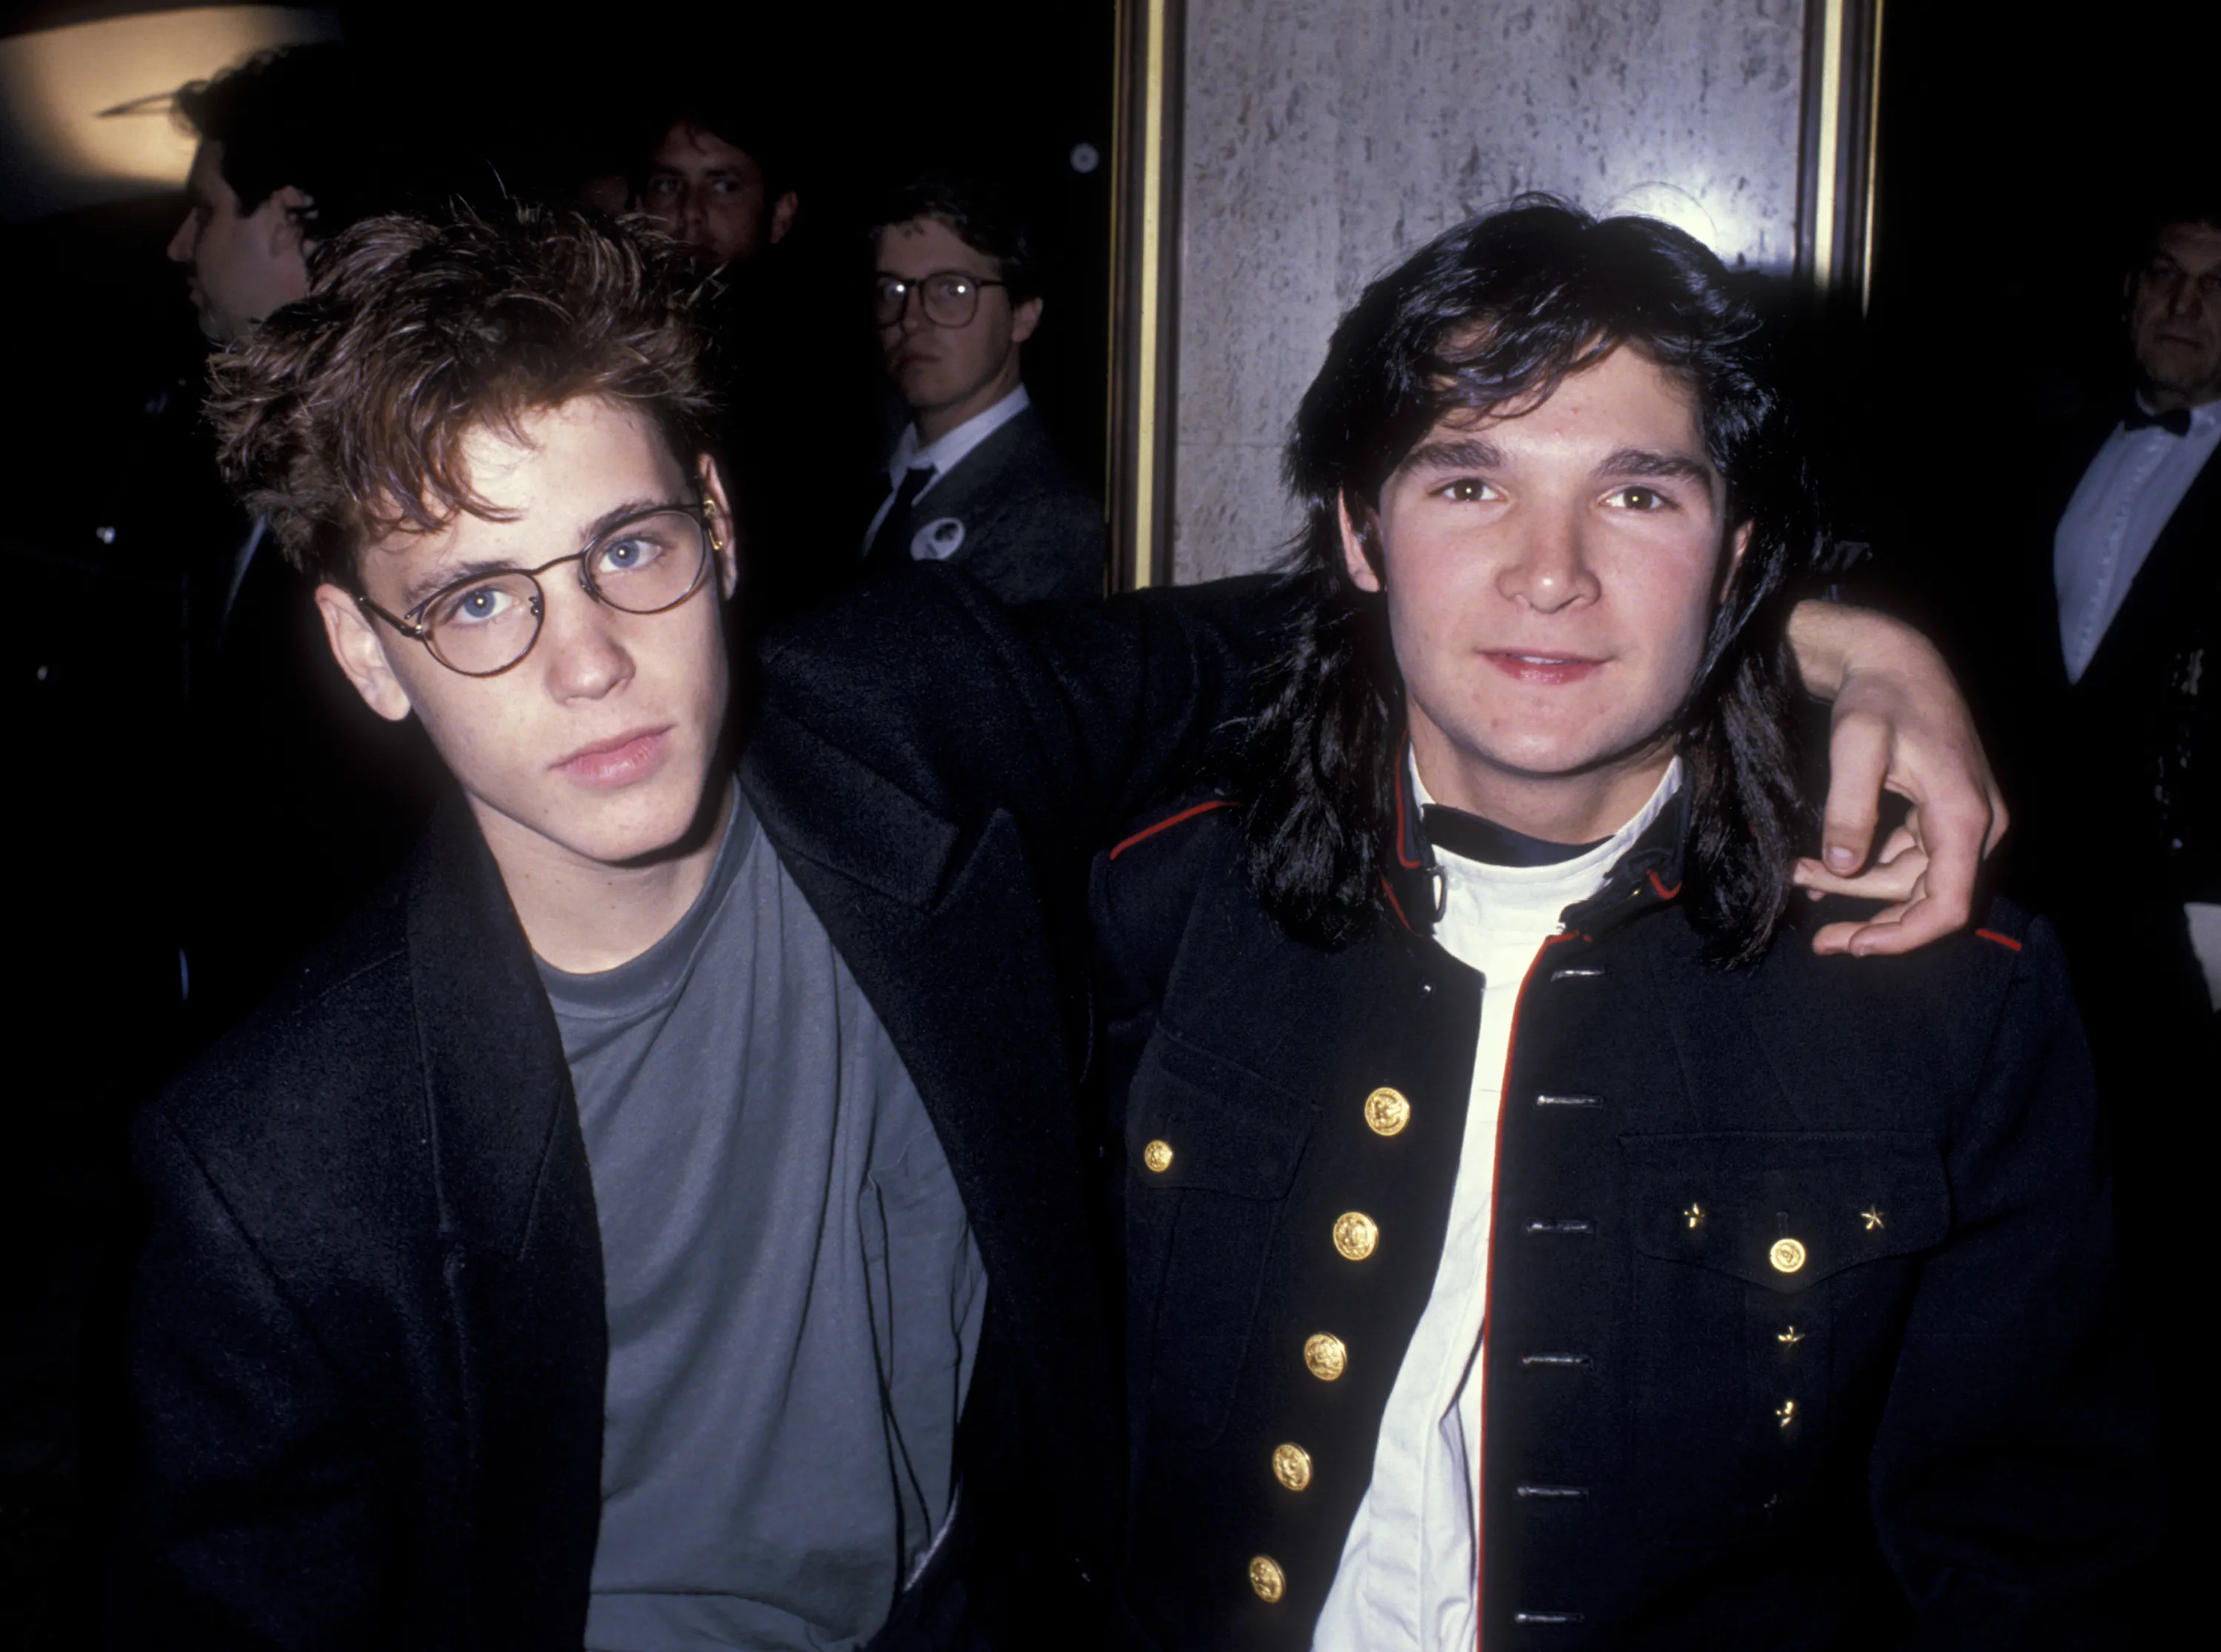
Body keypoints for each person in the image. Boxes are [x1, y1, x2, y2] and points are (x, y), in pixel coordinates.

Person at [111, 202, 2002, 1649]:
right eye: (474, 602)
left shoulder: (907, 725)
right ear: (364, 646)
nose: (590, 655)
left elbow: (1380, 617)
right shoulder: (280, 1171)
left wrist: (1818, 629)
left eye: (622, 548)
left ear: (713, 522)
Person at [1091, 199, 2153, 1648]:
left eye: (1639, 494)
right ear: (1356, 531)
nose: (1551, 570)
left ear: (1740, 555)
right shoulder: (1163, 906)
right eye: (1469, 486)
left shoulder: (1951, 999)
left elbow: (2030, 1571)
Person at [158, 42, 441, 1035]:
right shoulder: (250, 456)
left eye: (203, 211)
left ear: (287, 220)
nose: (179, 248)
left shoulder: (401, 480)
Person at [863, 175, 1105, 604]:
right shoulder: (869, 475)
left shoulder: (1046, 516)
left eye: (953, 289)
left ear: (1023, 314)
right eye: (892, 289)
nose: (911, 318)